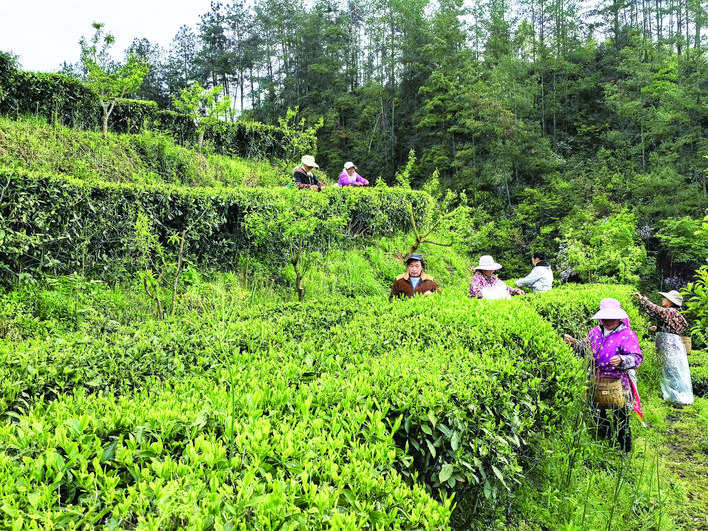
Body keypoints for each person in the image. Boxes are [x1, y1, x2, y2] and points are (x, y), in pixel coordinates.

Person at [563, 298, 643, 453]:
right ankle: (606, 440)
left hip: (618, 382)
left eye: (611, 317)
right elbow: (586, 349)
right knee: (598, 411)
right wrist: (574, 343)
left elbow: (637, 358)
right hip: (597, 380)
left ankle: (624, 449)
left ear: (619, 317)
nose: (608, 321)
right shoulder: (595, 332)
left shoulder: (627, 334)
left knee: (621, 416)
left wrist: (622, 359)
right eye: (605, 317)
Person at [633, 290, 693, 405]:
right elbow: (663, 320)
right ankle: (673, 396)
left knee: (672, 369)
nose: (663, 299)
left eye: (665, 298)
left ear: (671, 301)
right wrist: (659, 328)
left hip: (670, 344)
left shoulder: (672, 311)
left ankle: (678, 398)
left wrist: (643, 299)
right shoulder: (673, 312)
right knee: (670, 368)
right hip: (671, 343)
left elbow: (658, 310)